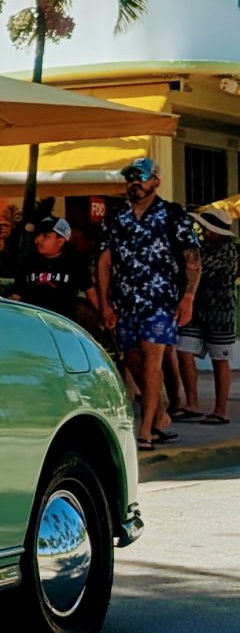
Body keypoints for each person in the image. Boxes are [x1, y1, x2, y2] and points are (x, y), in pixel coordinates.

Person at [97, 157, 203, 450]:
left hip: (160, 300)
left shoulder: (172, 215)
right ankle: (159, 414)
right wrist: (105, 303)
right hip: (125, 300)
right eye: (130, 178)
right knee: (133, 360)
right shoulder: (116, 217)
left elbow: (192, 260)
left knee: (152, 360)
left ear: (155, 181)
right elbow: (105, 261)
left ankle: (145, 429)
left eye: (140, 177)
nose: (134, 183)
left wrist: (188, 298)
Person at [177, 206, 236, 426]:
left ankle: (220, 410)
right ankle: (192, 402)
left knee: (219, 360)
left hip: (220, 313)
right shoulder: (201, 248)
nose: (204, 232)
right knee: (184, 351)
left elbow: (198, 269)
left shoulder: (227, 251)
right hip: (197, 310)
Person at [8, 215, 97, 322]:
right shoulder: (29, 262)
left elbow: (91, 292)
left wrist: (104, 314)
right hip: (31, 323)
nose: (37, 240)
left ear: (61, 241)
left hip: (61, 326)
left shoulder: (73, 262)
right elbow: (17, 295)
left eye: (45, 236)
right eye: (37, 235)